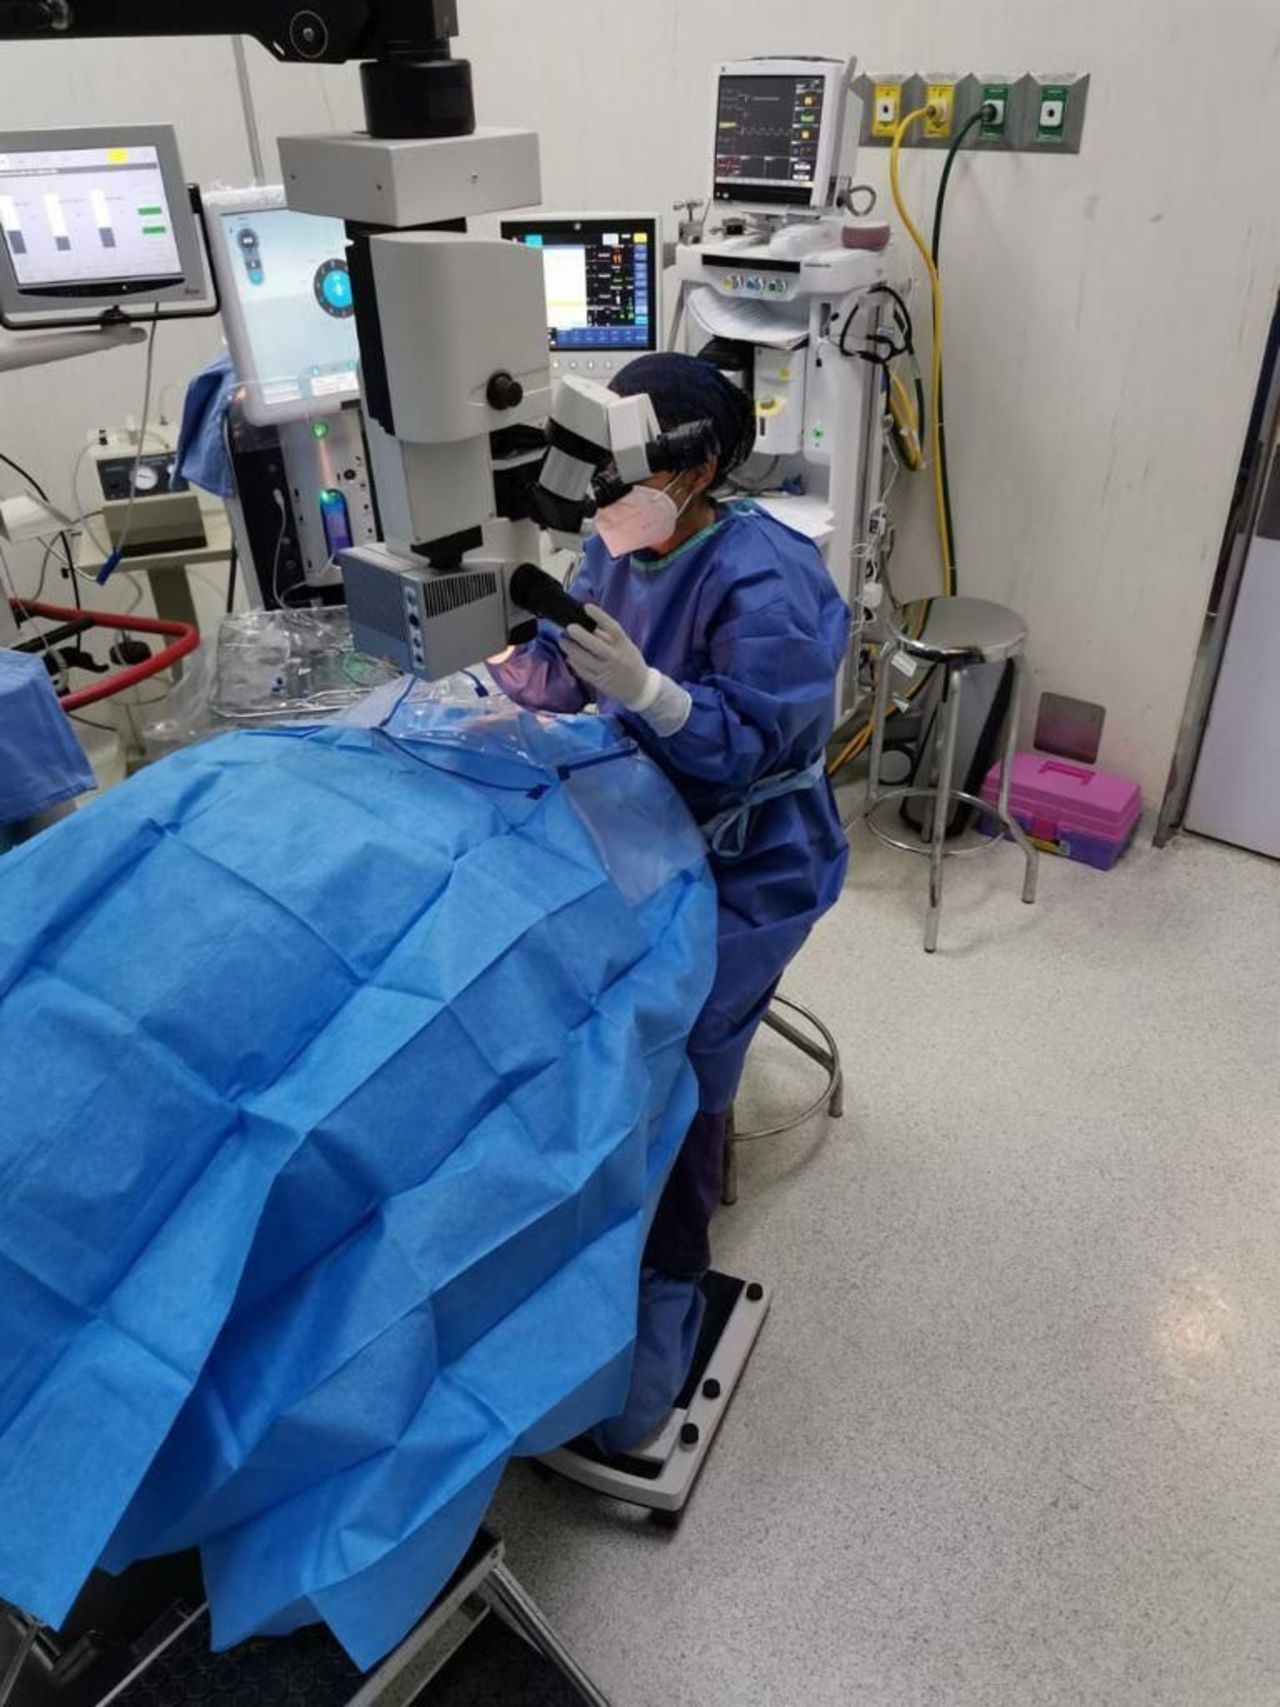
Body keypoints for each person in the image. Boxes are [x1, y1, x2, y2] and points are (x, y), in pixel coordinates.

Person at [492, 352, 850, 1450]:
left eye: (625, 474)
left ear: (694, 473)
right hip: (642, 827)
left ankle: (667, 1276)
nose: (604, 498)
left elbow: (749, 745)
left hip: (751, 861)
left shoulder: (767, 578)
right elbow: (561, 659)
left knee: (678, 1050)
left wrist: (648, 692)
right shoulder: (617, 540)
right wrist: (478, 686)